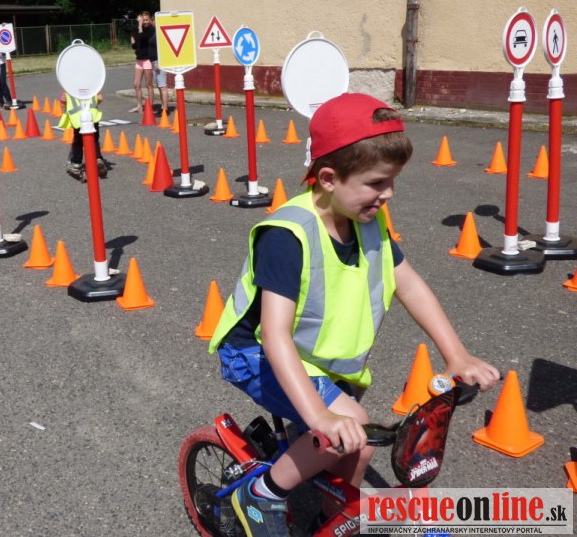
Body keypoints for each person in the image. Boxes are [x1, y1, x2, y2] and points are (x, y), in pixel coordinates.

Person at [207, 93, 501, 536]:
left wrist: (456, 355)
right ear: (328, 178)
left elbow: (409, 284)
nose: (388, 194)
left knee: (359, 446)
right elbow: (275, 334)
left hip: (317, 359)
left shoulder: (366, 219)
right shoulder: (288, 235)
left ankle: (331, 520)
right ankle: (260, 494)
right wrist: (320, 417)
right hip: (257, 354)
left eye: (392, 181)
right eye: (377, 183)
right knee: (348, 426)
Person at [57, 89, 108, 180]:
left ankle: (76, 163)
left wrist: (65, 102)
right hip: (92, 116)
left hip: (78, 118)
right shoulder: (92, 85)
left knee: (78, 142)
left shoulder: (68, 88)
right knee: (94, 140)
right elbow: (100, 98)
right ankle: (97, 158)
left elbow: (62, 103)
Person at [129, 11, 155, 114]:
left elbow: (143, 37)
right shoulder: (139, 29)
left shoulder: (151, 30)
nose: (145, 22)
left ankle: (150, 107)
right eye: (143, 20)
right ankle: (139, 106)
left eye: (146, 20)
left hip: (147, 59)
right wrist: (132, 35)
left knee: (149, 84)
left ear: (150, 20)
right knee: (136, 84)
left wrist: (139, 25)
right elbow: (135, 45)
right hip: (139, 60)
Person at [148, 16, 170, 116]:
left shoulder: (160, 33)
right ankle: (163, 107)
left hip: (159, 62)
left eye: (153, 20)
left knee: (163, 86)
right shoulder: (154, 32)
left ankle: (165, 109)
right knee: (159, 86)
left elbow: (163, 49)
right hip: (154, 62)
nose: (151, 22)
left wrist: (159, 63)